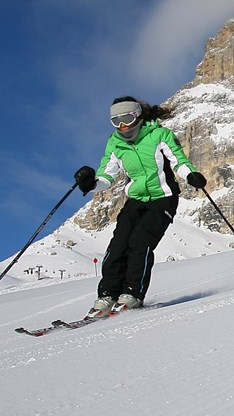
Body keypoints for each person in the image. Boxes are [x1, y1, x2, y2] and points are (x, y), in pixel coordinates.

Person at [74, 96, 206, 317]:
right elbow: (107, 175)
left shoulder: (158, 135)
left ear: (137, 116)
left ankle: (132, 293)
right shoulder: (115, 144)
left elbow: (178, 160)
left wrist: (190, 175)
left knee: (140, 241)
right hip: (136, 199)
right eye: (116, 121)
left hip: (163, 197)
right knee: (118, 245)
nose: (122, 126)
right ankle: (107, 295)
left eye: (126, 118)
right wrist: (91, 183)